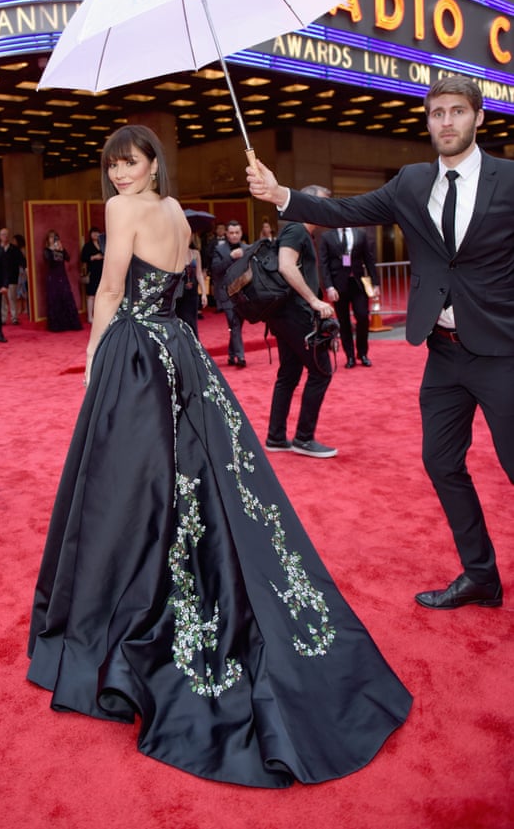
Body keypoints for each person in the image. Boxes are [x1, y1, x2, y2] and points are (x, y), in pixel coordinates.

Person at [27, 124, 411, 788]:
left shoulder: (124, 210)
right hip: (182, 351)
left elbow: (114, 288)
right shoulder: (177, 211)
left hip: (138, 353)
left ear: (154, 163)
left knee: (129, 484)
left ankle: (121, 606)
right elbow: (189, 286)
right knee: (196, 481)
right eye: (113, 164)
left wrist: (93, 352)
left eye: (133, 161)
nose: (121, 174)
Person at [247, 73, 513, 611]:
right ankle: (481, 574)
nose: (446, 122)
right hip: (442, 351)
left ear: (478, 117)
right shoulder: (412, 182)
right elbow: (345, 210)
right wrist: (281, 195)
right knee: (441, 462)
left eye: (457, 111)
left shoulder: (509, 180)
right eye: (437, 113)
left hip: (503, 352)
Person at [265, 188, 338, 459]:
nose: (326, 209)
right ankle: (303, 438)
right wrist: (314, 300)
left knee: (289, 374)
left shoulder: (299, 231)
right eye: (323, 203)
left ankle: (276, 436)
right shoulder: (296, 230)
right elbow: (286, 265)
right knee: (321, 371)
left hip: (285, 314)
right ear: (310, 203)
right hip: (296, 314)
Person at [319, 225, 379, 368]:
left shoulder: (361, 234)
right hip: (338, 286)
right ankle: (350, 356)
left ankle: (362, 353)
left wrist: (376, 283)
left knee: (363, 316)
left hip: (358, 283)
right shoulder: (327, 237)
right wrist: (329, 287)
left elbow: (369, 259)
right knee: (344, 321)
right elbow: (324, 264)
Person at [210, 219, 247, 367]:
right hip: (226, 293)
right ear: (226, 234)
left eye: (237, 232)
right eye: (231, 233)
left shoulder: (246, 248)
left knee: (238, 324)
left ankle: (232, 355)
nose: (234, 235)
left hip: (243, 294)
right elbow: (215, 269)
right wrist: (230, 257)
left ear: (241, 233)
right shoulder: (220, 250)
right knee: (234, 323)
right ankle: (241, 356)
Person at [44, 230, 82, 331]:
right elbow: (50, 261)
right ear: (48, 240)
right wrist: (55, 250)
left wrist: (61, 249)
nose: (53, 239)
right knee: (55, 299)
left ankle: (70, 324)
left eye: (55, 236)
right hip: (53, 277)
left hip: (62, 276)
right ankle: (57, 326)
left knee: (66, 297)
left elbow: (67, 258)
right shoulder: (47, 250)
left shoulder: (61, 248)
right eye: (51, 237)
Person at [174, 237, 208, 335]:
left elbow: (199, 274)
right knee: (180, 320)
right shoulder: (175, 254)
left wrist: (204, 293)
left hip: (192, 292)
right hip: (179, 292)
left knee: (192, 320)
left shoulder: (195, 253)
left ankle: (194, 345)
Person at [0, 227, 23, 325]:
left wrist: (25, 268)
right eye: (3, 234)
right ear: (0, 237)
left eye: (7, 234)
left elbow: (22, 260)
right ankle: (3, 318)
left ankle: (14, 317)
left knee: (12, 298)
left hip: (12, 277)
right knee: (2, 300)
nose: (5, 236)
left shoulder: (14, 249)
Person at [80, 226, 104, 324]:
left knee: (101, 295)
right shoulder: (87, 246)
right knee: (91, 295)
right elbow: (83, 258)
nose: (95, 234)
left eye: (97, 232)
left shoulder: (102, 244)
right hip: (92, 272)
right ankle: (90, 316)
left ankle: (100, 316)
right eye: (93, 233)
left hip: (102, 272)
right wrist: (94, 257)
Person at [13, 233, 29, 317]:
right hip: (18, 270)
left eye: (15, 240)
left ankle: (25, 308)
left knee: (23, 289)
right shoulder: (15, 249)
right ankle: (20, 308)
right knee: (19, 290)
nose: (13, 242)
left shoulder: (23, 249)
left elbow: (25, 260)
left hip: (22, 271)